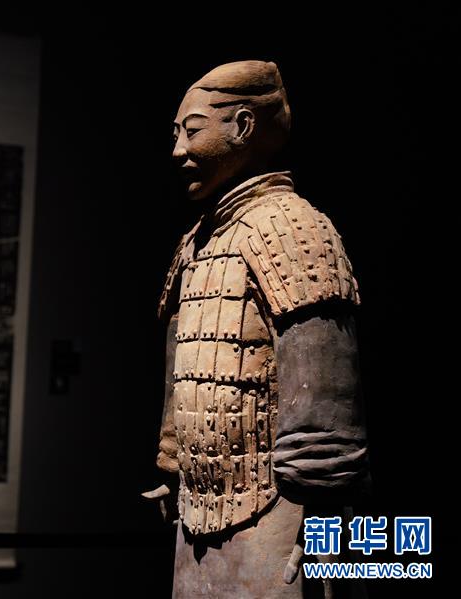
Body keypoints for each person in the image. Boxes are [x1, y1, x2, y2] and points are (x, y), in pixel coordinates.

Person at [142, 61, 370, 598]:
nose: (177, 150)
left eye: (191, 131)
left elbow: (324, 390)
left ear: (243, 126)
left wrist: (326, 512)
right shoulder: (196, 242)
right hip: (195, 507)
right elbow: (182, 367)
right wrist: (173, 463)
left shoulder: (293, 228)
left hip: (281, 513)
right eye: (175, 134)